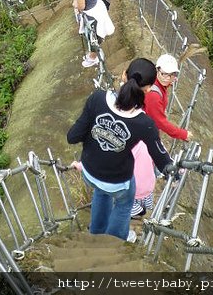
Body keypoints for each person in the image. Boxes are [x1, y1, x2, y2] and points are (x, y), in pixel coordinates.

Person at [67, 58, 172, 241]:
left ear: (124, 75)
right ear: (147, 90)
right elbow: (161, 157)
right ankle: (114, 241)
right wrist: (173, 169)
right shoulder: (144, 123)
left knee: (101, 190)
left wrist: (96, 134)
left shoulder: (97, 98)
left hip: (90, 172)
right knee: (124, 203)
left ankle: (96, 233)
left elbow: (72, 137)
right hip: (118, 181)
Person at [69, 0, 114, 68]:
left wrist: (75, 4)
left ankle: (94, 57)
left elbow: (81, 6)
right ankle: (94, 54)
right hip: (98, 6)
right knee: (97, 33)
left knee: (93, 37)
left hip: (92, 14)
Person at [144, 54, 191, 141]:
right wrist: (182, 134)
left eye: (171, 75)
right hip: (143, 131)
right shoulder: (153, 95)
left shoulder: (155, 81)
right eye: (164, 74)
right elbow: (160, 122)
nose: (167, 78)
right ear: (157, 70)